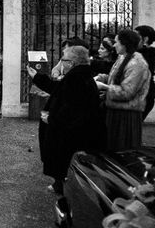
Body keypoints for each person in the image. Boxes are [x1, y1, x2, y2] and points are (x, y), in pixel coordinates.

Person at [27, 46, 103, 195]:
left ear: (72, 63)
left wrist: (52, 118)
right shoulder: (78, 75)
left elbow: (73, 107)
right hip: (72, 127)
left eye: (64, 60)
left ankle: (64, 187)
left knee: (63, 157)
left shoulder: (77, 78)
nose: (62, 63)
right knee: (62, 157)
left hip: (70, 129)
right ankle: (60, 183)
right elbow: (59, 89)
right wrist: (37, 77)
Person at [95, 29, 151, 152]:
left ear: (125, 44)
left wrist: (104, 87)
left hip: (127, 115)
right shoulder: (123, 58)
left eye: (116, 42)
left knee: (122, 149)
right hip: (115, 111)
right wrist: (100, 78)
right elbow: (115, 78)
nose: (114, 45)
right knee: (111, 147)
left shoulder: (137, 63)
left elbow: (127, 92)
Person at [135, 25, 155, 119]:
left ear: (145, 39)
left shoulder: (149, 53)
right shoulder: (138, 51)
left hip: (146, 94)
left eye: (136, 36)